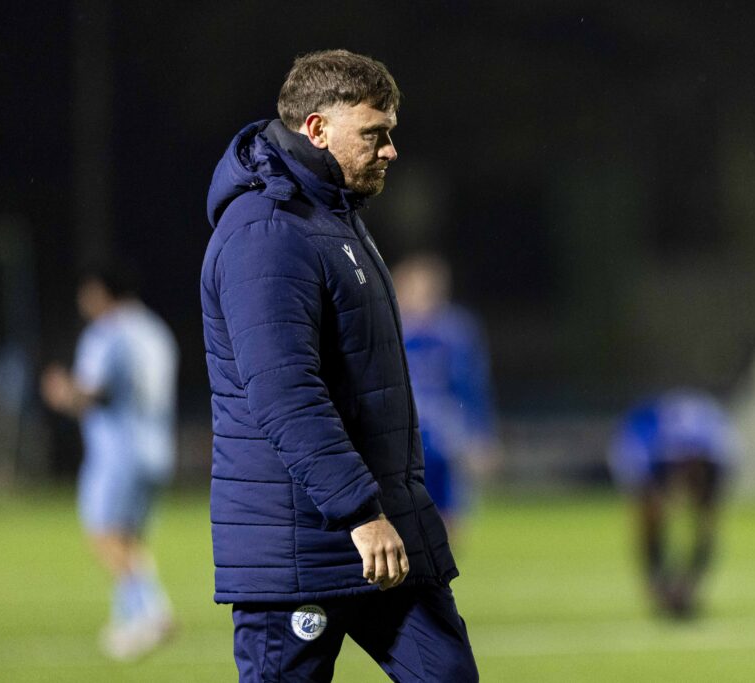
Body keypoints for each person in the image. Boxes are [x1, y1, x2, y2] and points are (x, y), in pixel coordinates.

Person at [201, 50, 478, 681]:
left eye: (391, 135)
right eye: (373, 135)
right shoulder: (266, 231)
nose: (389, 151)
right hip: (306, 544)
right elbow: (283, 391)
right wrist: (360, 512)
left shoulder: (331, 218)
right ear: (318, 129)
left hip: (384, 533)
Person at [40, 264, 178, 659]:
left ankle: (153, 611)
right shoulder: (154, 329)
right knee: (129, 538)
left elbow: (94, 394)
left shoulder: (108, 332)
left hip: (119, 450)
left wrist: (61, 392)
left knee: (104, 535)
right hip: (157, 448)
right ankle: (130, 620)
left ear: (101, 293)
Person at [393, 253, 497, 541]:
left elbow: (472, 385)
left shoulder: (455, 330)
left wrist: (481, 435)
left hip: (445, 436)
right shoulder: (392, 327)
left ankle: (439, 574)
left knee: (451, 516)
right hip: (402, 435)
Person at [608, 389, 737, 619]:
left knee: (706, 521)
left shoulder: (718, 451)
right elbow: (645, 508)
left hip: (697, 449)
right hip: (650, 449)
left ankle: (686, 587)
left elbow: (709, 521)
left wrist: (692, 582)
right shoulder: (643, 447)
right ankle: (658, 584)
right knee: (651, 519)